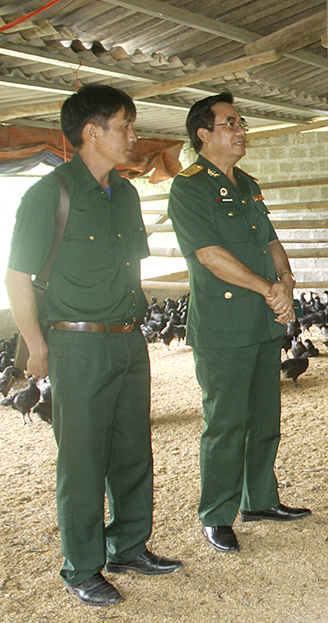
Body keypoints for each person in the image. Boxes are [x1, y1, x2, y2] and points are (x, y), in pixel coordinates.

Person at [5, 84, 182, 607]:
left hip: (129, 339)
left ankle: (129, 544)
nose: (133, 136)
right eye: (125, 126)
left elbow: (130, 268)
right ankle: (82, 565)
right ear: (92, 132)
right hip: (75, 346)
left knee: (132, 450)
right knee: (82, 460)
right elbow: (17, 278)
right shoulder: (51, 193)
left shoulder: (125, 193)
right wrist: (35, 346)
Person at [167, 93, 310, 554]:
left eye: (241, 122)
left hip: (261, 323)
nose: (241, 129)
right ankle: (216, 514)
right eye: (231, 123)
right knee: (225, 424)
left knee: (265, 419)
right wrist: (266, 288)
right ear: (204, 134)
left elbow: (270, 241)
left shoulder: (247, 183)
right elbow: (209, 256)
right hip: (224, 326)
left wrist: (285, 281)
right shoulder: (189, 187)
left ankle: (260, 501)